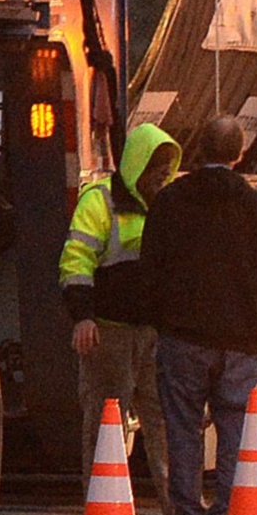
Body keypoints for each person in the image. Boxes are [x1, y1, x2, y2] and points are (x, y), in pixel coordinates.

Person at [134, 112, 257, 515]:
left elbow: (150, 272)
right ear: (240, 154)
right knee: (234, 429)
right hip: (241, 342)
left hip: (183, 338)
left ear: (199, 151)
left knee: (182, 428)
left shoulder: (169, 203)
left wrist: (162, 322)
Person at [62, 120, 180, 491]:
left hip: (151, 333)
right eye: (156, 171)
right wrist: (82, 317)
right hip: (108, 332)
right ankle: (102, 505)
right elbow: (76, 261)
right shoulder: (99, 201)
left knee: (162, 422)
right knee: (105, 425)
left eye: (166, 172)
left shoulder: (164, 206)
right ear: (137, 167)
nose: (161, 178)